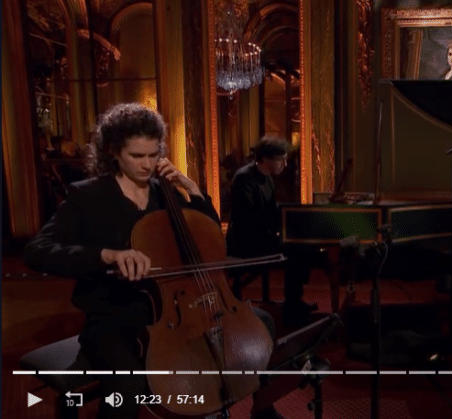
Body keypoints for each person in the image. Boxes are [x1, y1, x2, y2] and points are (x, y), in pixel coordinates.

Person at [23, 103, 273, 419]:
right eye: (137, 156)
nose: (147, 165)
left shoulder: (163, 193)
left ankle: (262, 410)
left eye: (154, 155)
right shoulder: (87, 196)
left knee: (261, 323)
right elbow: (37, 250)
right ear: (113, 151)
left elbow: (207, 240)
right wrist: (107, 255)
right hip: (114, 317)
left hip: (177, 309)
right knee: (128, 386)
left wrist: (192, 189)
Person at [226, 135, 317, 327]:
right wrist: (279, 230)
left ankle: (294, 300)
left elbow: (271, 212)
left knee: (303, 246)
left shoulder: (267, 178)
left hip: (261, 237)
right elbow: (246, 219)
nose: (285, 164)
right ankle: (292, 306)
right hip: (245, 243)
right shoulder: (244, 178)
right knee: (296, 250)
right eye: (281, 159)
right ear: (266, 158)